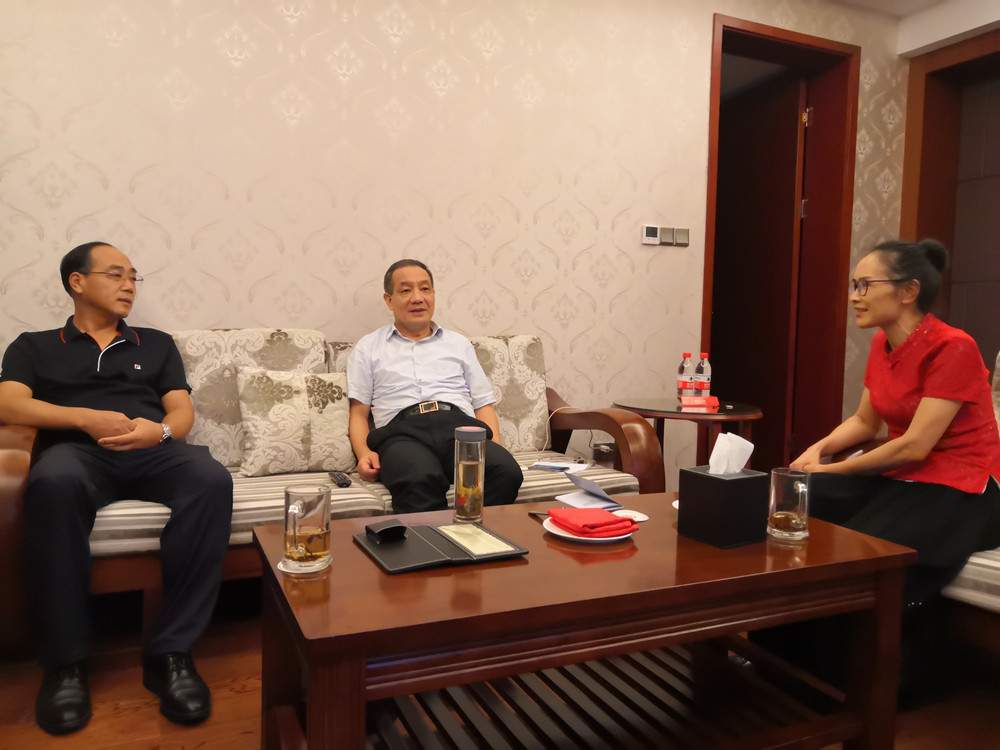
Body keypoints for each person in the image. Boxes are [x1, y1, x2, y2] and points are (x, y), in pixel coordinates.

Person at [0, 242, 233, 735]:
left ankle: (171, 654)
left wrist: (160, 432)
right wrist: (83, 418)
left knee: (211, 478)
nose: (129, 285)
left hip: (151, 447)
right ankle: (65, 663)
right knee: (53, 481)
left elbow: (181, 412)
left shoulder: (156, 343)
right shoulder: (33, 345)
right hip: (77, 453)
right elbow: (9, 405)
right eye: (116, 274)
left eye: (133, 277)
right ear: (77, 281)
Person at [758, 238, 1000, 703]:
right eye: (854, 285)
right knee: (792, 500)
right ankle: (780, 658)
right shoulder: (882, 342)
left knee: (862, 549)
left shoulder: (954, 347)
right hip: (904, 477)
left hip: (961, 488)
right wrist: (816, 452)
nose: (854, 296)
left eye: (865, 285)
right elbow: (866, 422)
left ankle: (861, 681)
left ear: (908, 291)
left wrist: (834, 472)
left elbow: (914, 444)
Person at [346, 259, 523, 513]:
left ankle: (470, 532)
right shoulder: (368, 347)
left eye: (425, 289)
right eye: (405, 290)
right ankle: (433, 539)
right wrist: (364, 453)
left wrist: (496, 447)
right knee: (418, 477)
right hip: (401, 434)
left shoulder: (458, 344)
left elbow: (483, 404)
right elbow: (358, 413)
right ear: (389, 300)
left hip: (459, 428)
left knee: (504, 470)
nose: (417, 298)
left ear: (433, 294)